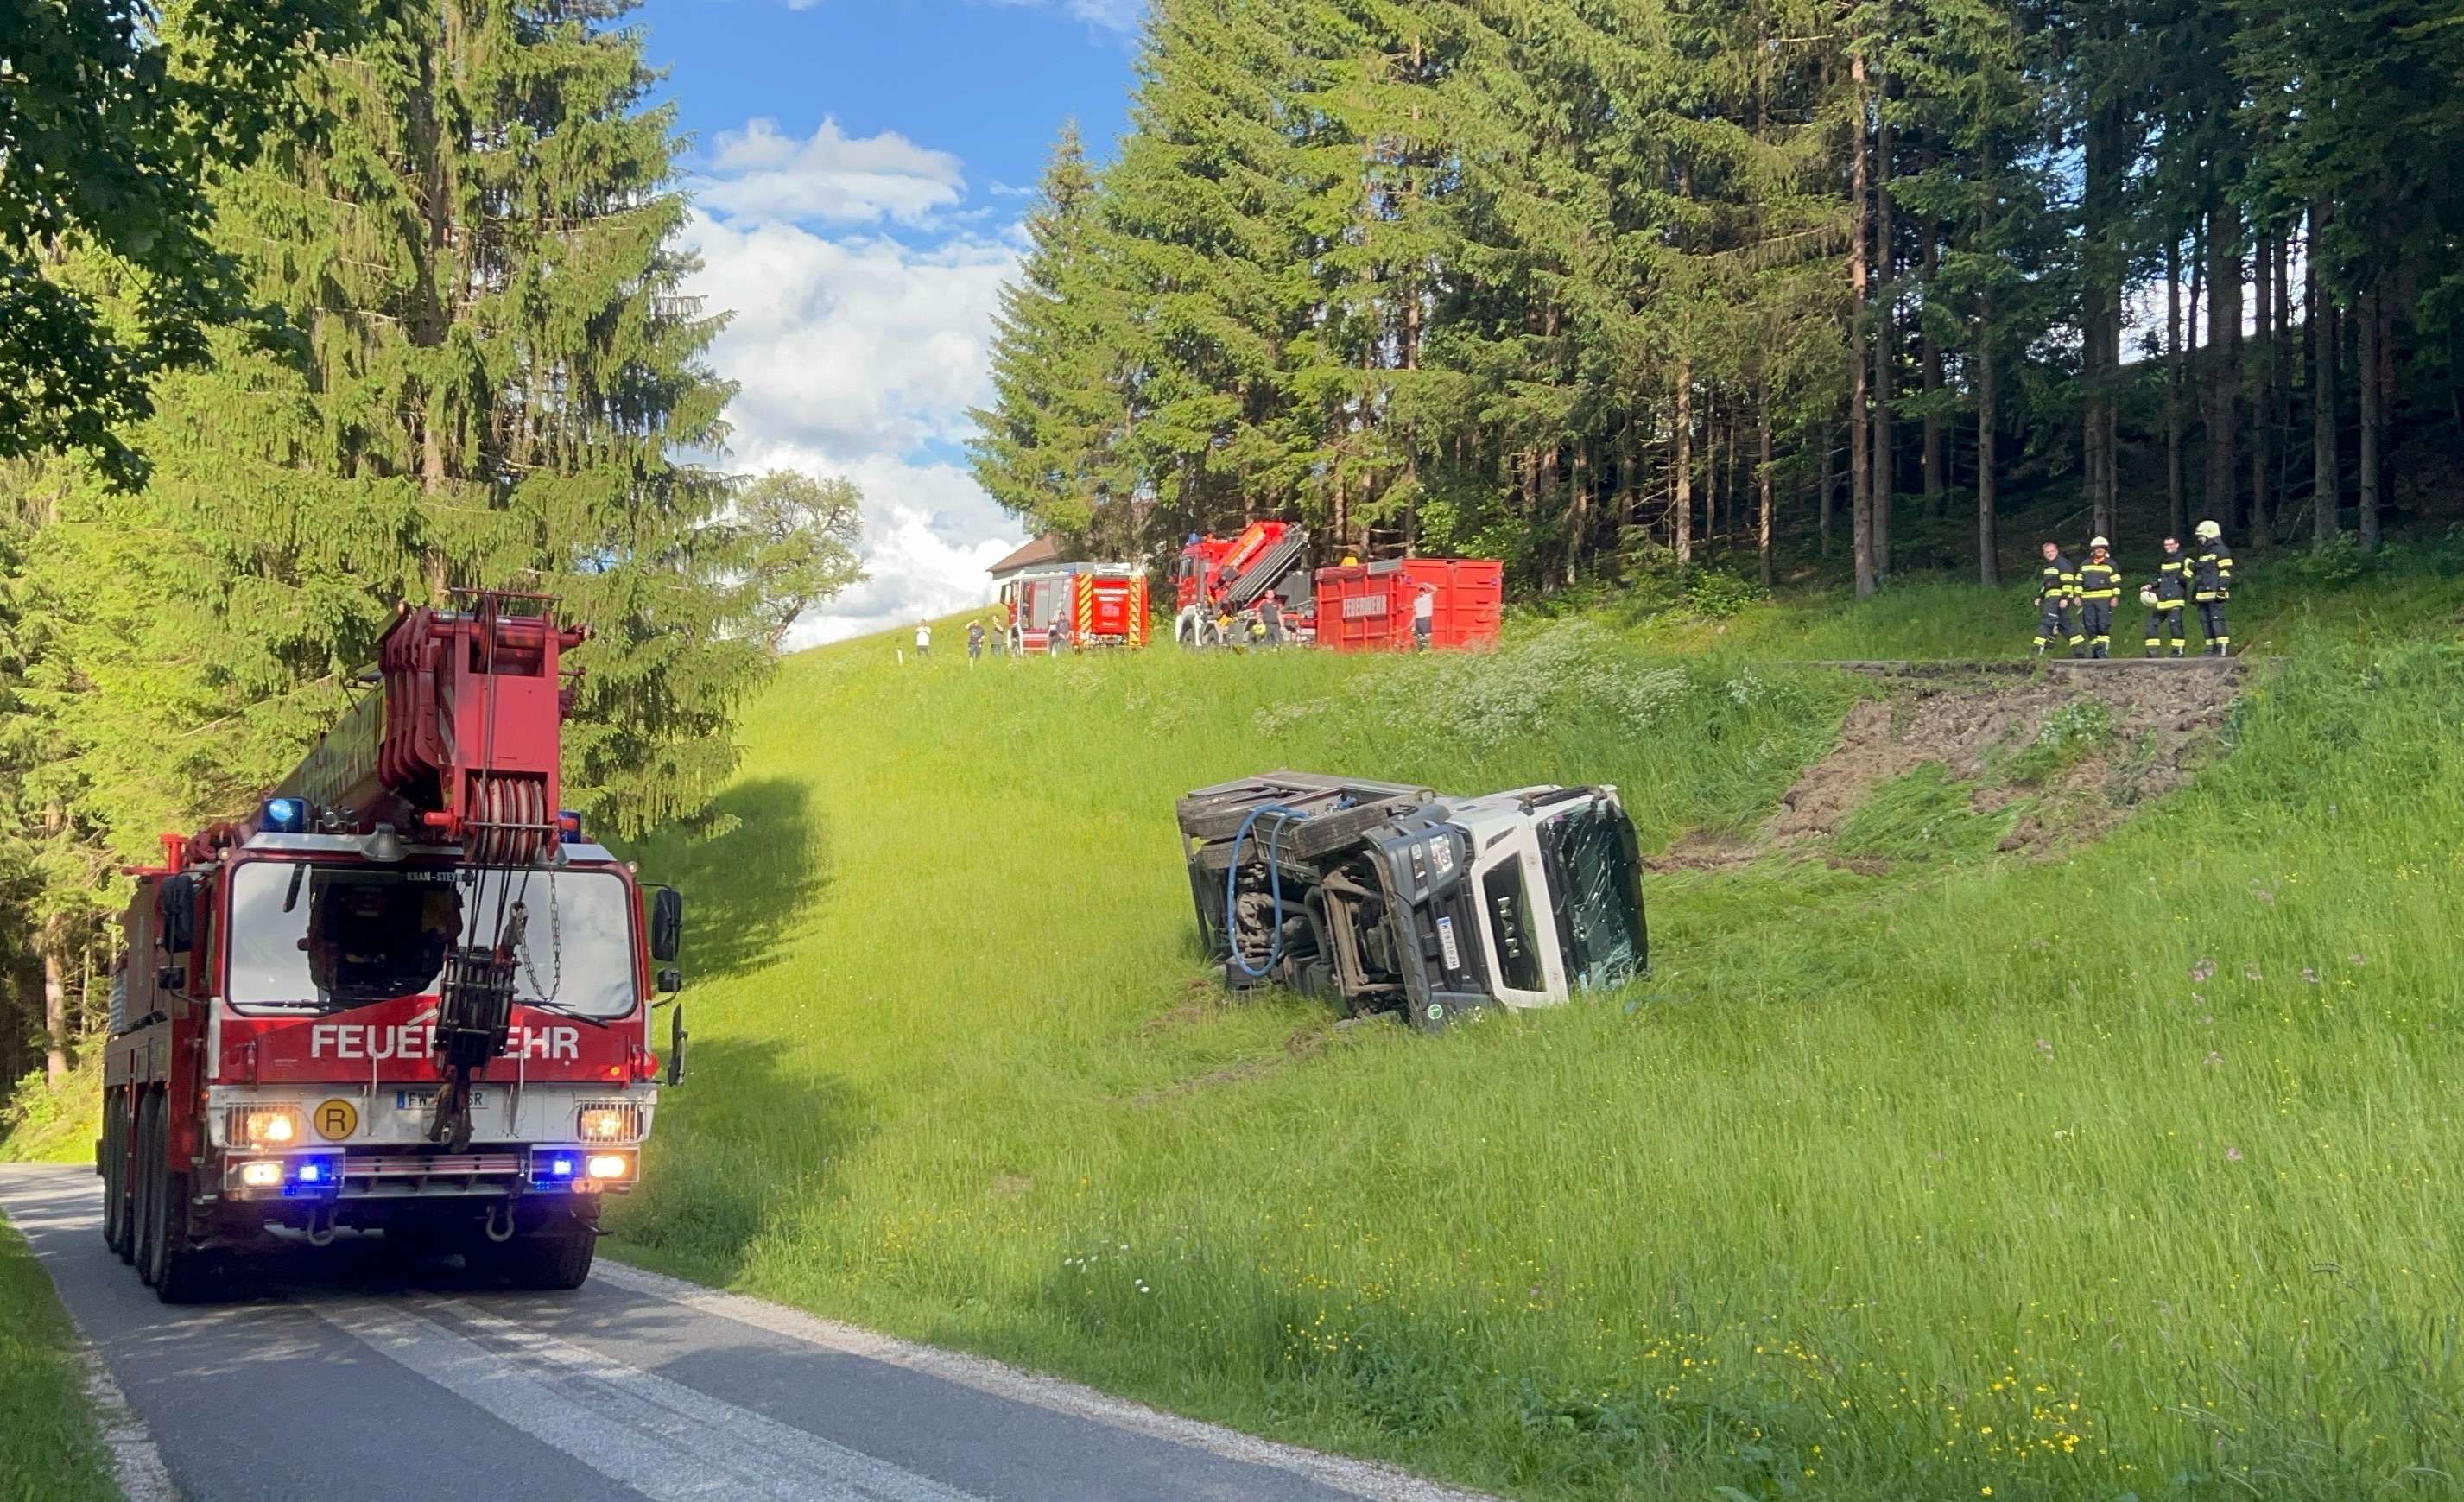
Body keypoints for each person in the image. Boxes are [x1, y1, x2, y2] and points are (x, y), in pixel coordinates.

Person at [2190, 518, 2234, 656]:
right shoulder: (2204, 553)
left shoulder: (2221, 551)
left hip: (2215, 593)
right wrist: (2194, 593)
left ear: (2209, 534)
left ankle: (2222, 649)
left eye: (2201, 536)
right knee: (2205, 621)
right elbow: (2200, 574)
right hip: (2202, 594)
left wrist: (2222, 589)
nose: (2200, 539)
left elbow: (2225, 572)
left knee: (2217, 620)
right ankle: (2210, 649)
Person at [2142, 536, 2189, 657]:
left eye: (2170, 544)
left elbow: (2194, 568)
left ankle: (2178, 653)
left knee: (2175, 626)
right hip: (2162, 600)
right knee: (2151, 624)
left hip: (2176, 599)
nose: (2168, 547)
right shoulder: (2165, 561)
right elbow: (2162, 579)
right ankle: (2152, 654)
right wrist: (2151, 585)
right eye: (2166, 545)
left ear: (2177, 545)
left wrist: (2182, 579)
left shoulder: (2183, 559)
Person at [2074, 536, 2121, 659]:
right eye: (2097, 548)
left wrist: (2115, 597)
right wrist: (2077, 596)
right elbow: (2078, 581)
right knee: (2089, 626)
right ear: (2093, 549)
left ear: (2106, 549)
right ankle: (2096, 649)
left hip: (2104, 600)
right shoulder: (2085, 564)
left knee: (2103, 625)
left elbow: (2116, 583)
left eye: (2102, 548)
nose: (2100, 550)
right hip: (2088, 599)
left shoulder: (2111, 564)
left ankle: (2102, 653)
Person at [2032, 541, 2079, 657]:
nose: (2050, 553)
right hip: (2052, 599)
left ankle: (2037, 651)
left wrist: (2065, 598)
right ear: (2044, 554)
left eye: (2052, 551)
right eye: (2047, 552)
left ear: (2057, 551)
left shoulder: (2062, 563)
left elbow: (2068, 581)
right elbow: (2047, 584)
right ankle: (2080, 652)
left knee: (2047, 621)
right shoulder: (2049, 566)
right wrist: (2040, 596)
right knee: (2065, 625)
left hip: (2058, 599)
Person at [1412, 582, 1437, 650]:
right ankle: (1421, 651)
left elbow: (1435, 589)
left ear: (1425, 591)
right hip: (1418, 620)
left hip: (1425, 619)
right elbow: (1414, 613)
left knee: (1426, 637)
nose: (1421, 591)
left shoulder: (1428, 597)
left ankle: (1427, 650)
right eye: (1420, 590)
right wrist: (1412, 624)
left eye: (1423, 590)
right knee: (1418, 637)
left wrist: (1426, 584)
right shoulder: (1416, 600)